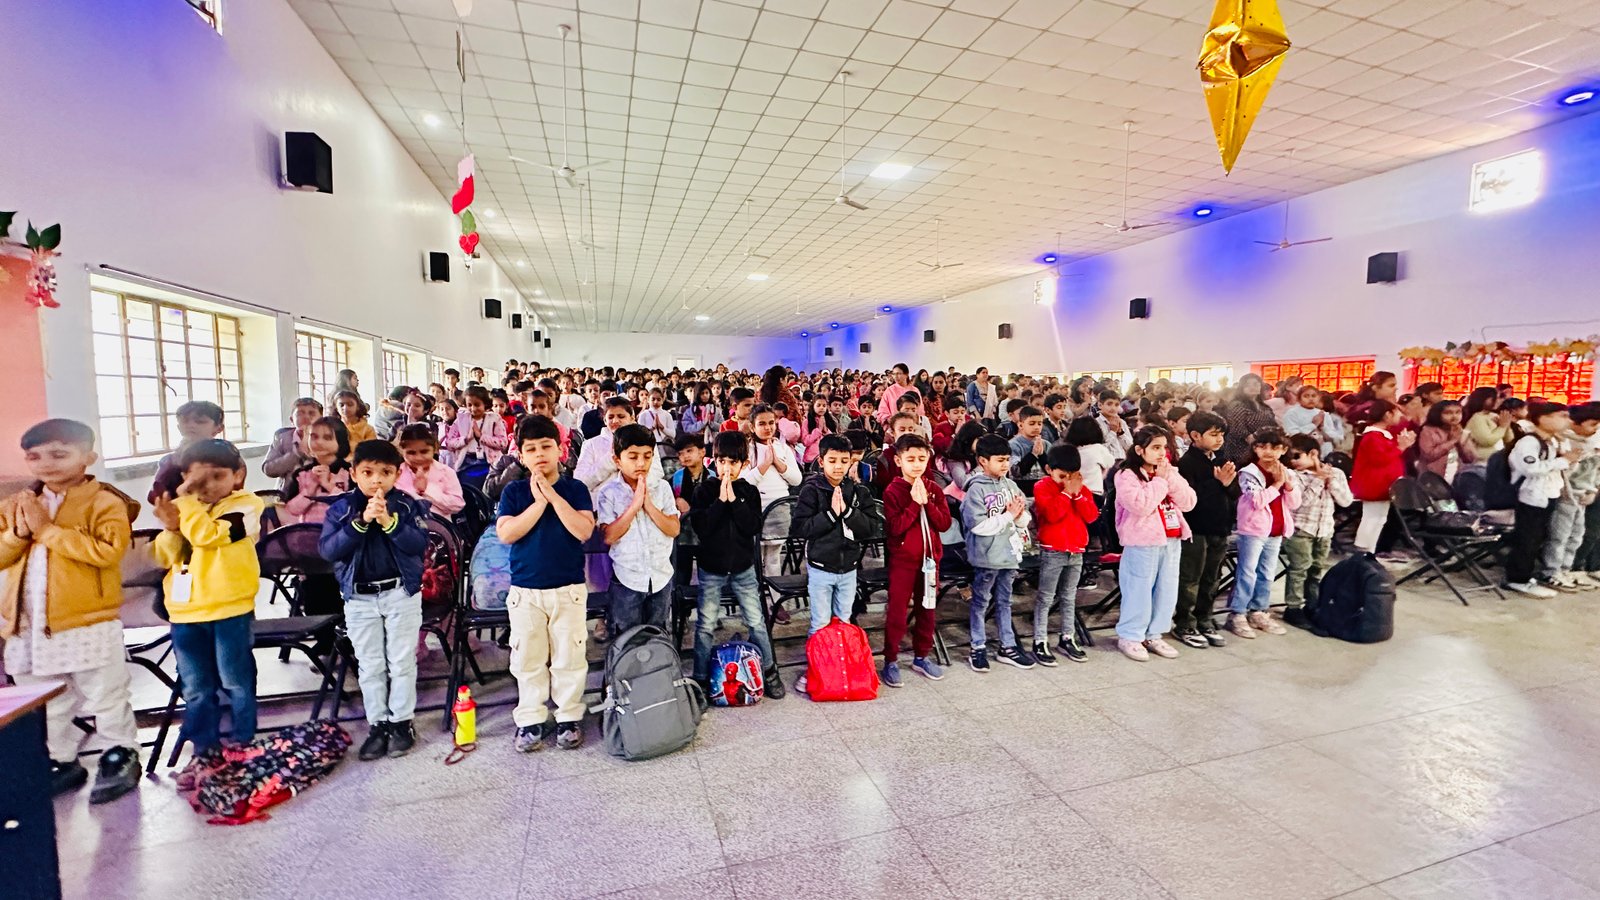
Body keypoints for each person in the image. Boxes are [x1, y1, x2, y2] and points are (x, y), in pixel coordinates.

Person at [0, 419, 142, 803]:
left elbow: (106, 552)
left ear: (88, 457)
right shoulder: (16, 505)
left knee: (105, 693)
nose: (46, 463)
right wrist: (19, 534)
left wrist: (47, 531)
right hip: (28, 623)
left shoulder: (104, 502)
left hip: (87, 620)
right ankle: (60, 760)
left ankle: (119, 754)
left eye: (59, 454)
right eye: (35, 456)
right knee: (45, 699)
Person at [149, 439, 265, 788]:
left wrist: (185, 503)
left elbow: (209, 536)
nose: (207, 486)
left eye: (217, 476)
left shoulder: (247, 505)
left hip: (230, 608)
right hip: (186, 613)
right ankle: (205, 751)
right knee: (196, 688)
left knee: (236, 682)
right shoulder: (185, 510)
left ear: (237, 475)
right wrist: (171, 528)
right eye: (197, 479)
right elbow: (165, 557)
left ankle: (243, 745)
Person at [318, 440, 431, 761]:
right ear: (354, 474)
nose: (376, 480)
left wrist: (388, 523)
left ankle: (401, 723)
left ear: (397, 474)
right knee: (369, 665)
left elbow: (418, 544)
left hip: (400, 593)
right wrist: (361, 523)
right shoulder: (341, 509)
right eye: (368, 473)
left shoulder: (407, 506)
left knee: (401, 661)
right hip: (359, 598)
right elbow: (328, 550)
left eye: (385, 473)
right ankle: (378, 724)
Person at [496, 415, 597, 752]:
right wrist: (538, 502)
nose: (539, 454)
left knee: (570, 655)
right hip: (526, 591)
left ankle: (569, 715)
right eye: (531, 449)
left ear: (559, 450)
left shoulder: (575, 489)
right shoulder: (514, 491)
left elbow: (583, 530)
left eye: (546, 446)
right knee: (528, 657)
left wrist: (553, 497)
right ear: (521, 455)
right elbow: (507, 533)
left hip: (568, 588)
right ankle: (530, 719)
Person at [690, 431, 783, 699]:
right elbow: (702, 528)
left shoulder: (748, 492)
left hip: (743, 568)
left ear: (744, 464)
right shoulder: (704, 491)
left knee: (756, 621)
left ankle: (769, 671)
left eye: (733, 462)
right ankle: (700, 678)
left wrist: (735, 501)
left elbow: (752, 526)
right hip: (712, 568)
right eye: (722, 462)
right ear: (713, 461)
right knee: (706, 624)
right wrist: (720, 502)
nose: (727, 468)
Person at [791, 434, 878, 693]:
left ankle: (841, 670)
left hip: (849, 568)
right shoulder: (811, 490)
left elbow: (871, 528)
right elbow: (800, 528)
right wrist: (830, 515)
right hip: (821, 568)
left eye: (843, 461)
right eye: (832, 461)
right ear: (821, 461)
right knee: (819, 623)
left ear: (851, 461)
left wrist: (848, 513)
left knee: (844, 619)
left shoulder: (858, 491)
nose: (838, 466)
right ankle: (815, 670)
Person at [1112, 426, 1196, 661]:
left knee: (1167, 588)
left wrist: (1168, 478)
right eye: (1156, 448)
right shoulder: (1126, 475)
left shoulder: (1168, 471)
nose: (1161, 453)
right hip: (1141, 540)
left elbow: (1189, 502)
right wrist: (1159, 481)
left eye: (1164, 448)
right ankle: (1130, 635)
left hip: (1171, 537)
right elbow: (1140, 505)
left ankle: (1154, 633)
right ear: (1140, 450)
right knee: (1138, 588)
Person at [880, 433, 953, 686]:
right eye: (910, 459)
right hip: (904, 561)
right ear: (898, 461)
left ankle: (921, 656)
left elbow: (944, 524)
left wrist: (928, 504)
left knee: (928, 609)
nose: (917, 464)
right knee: (898, 612)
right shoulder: (893, 490)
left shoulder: (934, 489)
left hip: (930, 561)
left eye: (922, 459)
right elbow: (895, 528)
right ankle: (890, 659)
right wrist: (913, 504)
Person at [595, 424, 680, 632]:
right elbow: (609, 537)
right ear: (617, 460)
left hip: (660, 577)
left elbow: (673, 529)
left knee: (657, 636)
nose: (641, 463)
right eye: (633, 457)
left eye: (647, 456)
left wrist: (648, 505)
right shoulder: (609, 493)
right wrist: (634, 506)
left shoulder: (662, 488)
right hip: (627, 579)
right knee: (626, 637)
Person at [961, 433, 1034, 672]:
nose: (1005, 464)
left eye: (1007, 460)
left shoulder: (1011, 485)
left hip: (1008, 554)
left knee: (1005, 601)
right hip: (986, 556)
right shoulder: (975, 490)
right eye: (1000, 460)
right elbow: (978, 526)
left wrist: (1018, 516)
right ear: (983, 461)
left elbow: (1024, 519)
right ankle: (977, 646)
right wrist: (1008, 516)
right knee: (981, 601)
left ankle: (1008, 646)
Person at [1500, 402, 1581, 597]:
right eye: (1561, 416)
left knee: (1537, 538)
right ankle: (1517, 579)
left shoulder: (1551, 441)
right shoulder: (1529, 442)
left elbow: (1559, 468)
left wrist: (1567, 458)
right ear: (1543, 418)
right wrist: (1562, 460)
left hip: (1546, 495)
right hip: (1529, 497)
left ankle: (1525, 576)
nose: (1567, 421)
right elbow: (1531, 469)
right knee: (1527, 539)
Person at [1225, 427, 1299, 639]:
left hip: (1276, 530)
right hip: (1253, 530)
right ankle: (1238, 613)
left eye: (1275, 447)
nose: (1268, 452)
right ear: (1255, 448)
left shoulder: (1287, 472)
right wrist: (1277, 483)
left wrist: (1287, 484)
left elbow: (1294, 503)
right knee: (1247, 572)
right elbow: (1257, 501)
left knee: (1267, 573)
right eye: (1262, 446)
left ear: (1283, 450)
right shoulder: (1249, 472)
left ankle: (1258, 611)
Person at [1031, 444, 1099, 664]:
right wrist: (1067, 493)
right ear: (1049, 470)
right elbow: (1052, 515)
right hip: (1053, 549)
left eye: (1072, 476)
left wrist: (1077, 495)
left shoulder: (1081, 489)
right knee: (1046, 597)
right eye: (1062, 476)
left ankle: (1067, 637)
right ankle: (1039, 640)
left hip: (1076, 550)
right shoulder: (1042, 487)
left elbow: (1091, 516)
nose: (1067, 481)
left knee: (1069, 596)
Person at [1174, 411, 1234, 649]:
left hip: (1220, 526)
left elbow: (1234, 492)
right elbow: (1190, 499)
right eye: (1214, 434)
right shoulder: (1186, 464)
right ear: (1195, 435)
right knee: (1191, 578)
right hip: (1196, 528)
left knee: (1212, 577)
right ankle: (1185, 623)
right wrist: (1217, 483)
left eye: (1222, 434)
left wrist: (1227, 485)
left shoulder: (1222, 459)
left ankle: (1204, 618)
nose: (1219, 439)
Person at [1280, 434, 1353, 629]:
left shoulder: (1336, 473)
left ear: (1313, 453)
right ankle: (1293, 608)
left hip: (1324, 529)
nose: (1292, 461)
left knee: (1316, 570)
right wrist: (1319, 480)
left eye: (1296, 456)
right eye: (1290, 458)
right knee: (1299, 569)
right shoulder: (1294, 475)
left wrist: (1330, 482)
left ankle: (1312, 605)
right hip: (1301, 529)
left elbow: (1346, 501)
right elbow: (1300, 503)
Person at [1349, 400, 1415, 555]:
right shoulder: (1373, 436)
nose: (1399, 416)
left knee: (1379, 519)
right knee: (1371, 518)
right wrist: (1400, 447)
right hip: (1374, 486)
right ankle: (1362, 550)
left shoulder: (1382, 435)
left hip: (1383, 485)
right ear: (1387, 415)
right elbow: (1379, 459)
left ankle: (1370, 550)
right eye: (1397, 413)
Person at [148, 400, 226, 504]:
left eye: (200, 421)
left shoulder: (228, 457)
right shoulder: (170, 460)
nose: (191, 425)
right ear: (179, 427)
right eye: (185, 421)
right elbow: (155, 497)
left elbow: (235, 492)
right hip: (180, 512)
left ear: (219, 428)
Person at [282, 416, 352, 524]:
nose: (319, 442)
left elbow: (353, 508)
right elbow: (291, 510)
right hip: (309, 531)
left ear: (341, 441)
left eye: (327, 438)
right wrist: (309, 491)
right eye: (314, 437)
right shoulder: (301, 474)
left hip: (340, 532)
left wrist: (329, 486)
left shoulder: (350, 472)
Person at [395, 423, 465, 517]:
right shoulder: (396, 474)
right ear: (401, 451)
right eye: (411, 453)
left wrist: (426, 490)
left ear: (435, 448)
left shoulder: (446, 472)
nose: (418, 458)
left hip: (439, 524)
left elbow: (457, 505)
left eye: (424, 452)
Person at [443, 385, 508, 473]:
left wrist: (481, 437)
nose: (473, 409)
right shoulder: (461, 421)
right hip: (466, 463)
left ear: (485, 404)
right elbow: (449, 443)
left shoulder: (494, 419)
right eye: (469, 405)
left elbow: (503, 443)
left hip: (490, 463)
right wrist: (466, 439)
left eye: (477, 405)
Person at [263, 398, 325, 490]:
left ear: (322, 420)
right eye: (300, 413)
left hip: (318, 491)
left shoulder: (327, 438)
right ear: (292, 419)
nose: (306, 417)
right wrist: (297, 453)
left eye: (311, 413)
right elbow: (268, 470)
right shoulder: (282, 438)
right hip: (286, 492)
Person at [1219, 374, 1278, 465]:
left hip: (1262, 447)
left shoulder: (1264, 406)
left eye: (1255, 384)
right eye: (1247, 385)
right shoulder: (1237, 405)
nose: (1252, 387)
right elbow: (1238, 431)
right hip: (1241, 450)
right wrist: (1259, 440)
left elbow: (1272, 424)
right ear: (1241, 388)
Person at [1416, 400, 1476, 482]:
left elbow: (1470, 458)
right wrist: (1453, 441)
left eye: (1458, 412)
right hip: (1433, 479)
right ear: (1438, 414)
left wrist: (1460, 443)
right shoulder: (1428, 431)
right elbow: (1429, 455)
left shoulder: (1461, 431)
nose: (1454, 416)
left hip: (1457, 477)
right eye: (1448, 413)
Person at [1464, 386, 1512, 461]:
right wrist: (1502, 427)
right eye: (1496, 398)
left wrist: (1506, 425)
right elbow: (1487, 441)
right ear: (1484, 399)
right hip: (1481, 462)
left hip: (1496, 460)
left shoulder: (1493, 415)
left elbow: (1509, 439)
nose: (1499, 401)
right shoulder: (1477, 418)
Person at [638, 388, 679, 475]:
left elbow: (673, 434)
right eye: (653, 399)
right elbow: (640, 435)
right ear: (648, 400)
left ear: (663, 400)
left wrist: (662, 428)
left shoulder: (667, 415)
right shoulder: (643, 415)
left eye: (658, 399)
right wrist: (652, 428)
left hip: (664, 447)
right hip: (649, 447)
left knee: (666, 471)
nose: (656, 402)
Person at [1007, 405, 1048, 479]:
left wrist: (1042, 455)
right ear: (1020, 425)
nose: (1036, 427)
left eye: (1039, 424)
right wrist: (1033, 455)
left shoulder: (1046, 444)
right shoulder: (1013, 445)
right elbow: (1016, 472)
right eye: (1032, 423)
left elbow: (1052, 471)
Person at [1095, 390, 1134, 455]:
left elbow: (1130, 447)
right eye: (1109, 404)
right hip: (1107, 460)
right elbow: (1098, 449)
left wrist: (1120, 433)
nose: (1113, 408)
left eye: (1116, 405)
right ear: (1100, 405)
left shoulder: (1122, 422)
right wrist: (1112, 432)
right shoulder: (1095, 423)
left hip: (1123, 459)